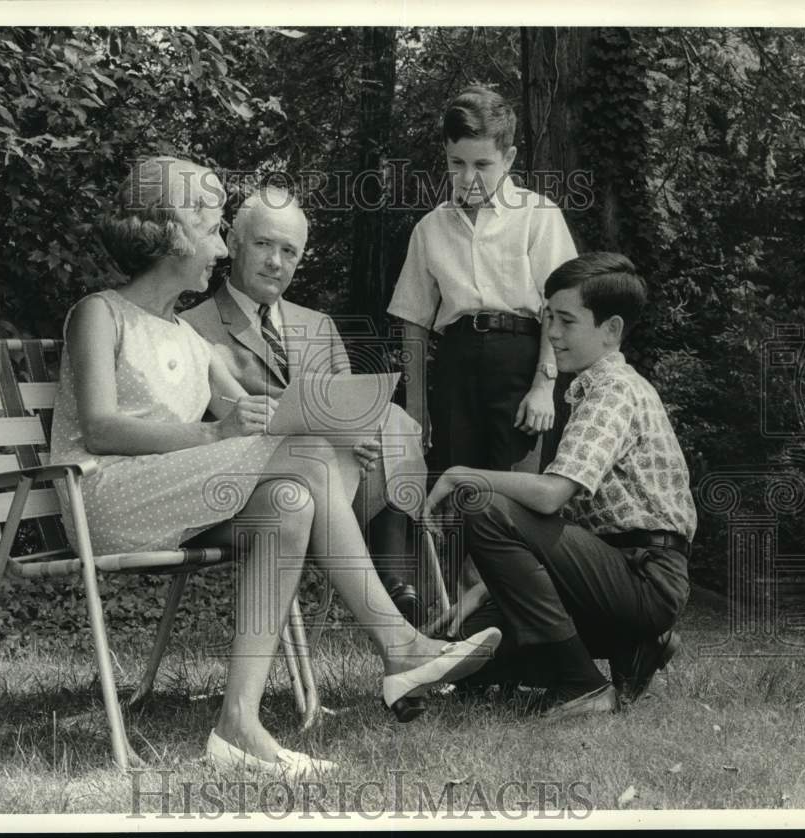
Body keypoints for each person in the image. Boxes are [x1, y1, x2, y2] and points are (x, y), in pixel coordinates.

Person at [49, 156, 501, 782]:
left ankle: (238, 725)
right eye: (211, 229)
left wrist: (292, 418)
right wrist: (217, 430)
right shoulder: (98, 313)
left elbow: (257, 419)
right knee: (307, 461)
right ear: (169, 234)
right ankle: (400, 646)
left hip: (171, 502)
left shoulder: (191, 339)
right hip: (99, 497)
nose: (219, 245)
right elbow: (100, 426)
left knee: (289, 503)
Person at [423, 252, 697, 718]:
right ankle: (636, 647)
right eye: (549, 318)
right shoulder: (588, 388)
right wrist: (481, 591)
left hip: (644, 576)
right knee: (457, 651)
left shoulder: (613, 390)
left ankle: (582, 686)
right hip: (609, 573)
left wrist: (460, 474)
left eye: (566, 321)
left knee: (484, 505)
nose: (551, 334)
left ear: (611, 330)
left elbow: (550, 497)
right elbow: (551, 531)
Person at [181, 187, 429, 625]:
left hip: (345, 485)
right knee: (391, 422)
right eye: (263, 244)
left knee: (390, 422)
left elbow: (350, 411)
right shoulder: (192, 328)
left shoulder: (319, 325)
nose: (276, 262)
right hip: (254, 492)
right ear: (233, 244)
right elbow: (203, 430)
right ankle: (396, 584)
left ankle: (394, 578)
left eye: (289, 251)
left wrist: (362, 438)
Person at [388, 85, 578, 477]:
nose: (467, 177)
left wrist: (544, 385)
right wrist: (417, 408)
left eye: (482, 165)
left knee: (515, 494)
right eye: (456, 163)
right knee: (456, 489)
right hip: (455, 366)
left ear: (507, 159)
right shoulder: (430, 228)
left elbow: (560, 306)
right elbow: (413, 322)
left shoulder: (537, 215)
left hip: (521, 361)